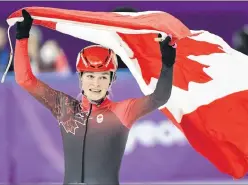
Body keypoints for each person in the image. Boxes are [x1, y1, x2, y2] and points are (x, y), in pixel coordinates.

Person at [14, 9, 176, 184]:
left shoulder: (122, 111)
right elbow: (25, 80)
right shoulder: (65, 107)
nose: (96, 84)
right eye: (90, 76)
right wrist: (22, 37)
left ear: (111, 80)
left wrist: (168, 63)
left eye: (103, 77)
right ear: (80, 78)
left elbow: (159, 97)